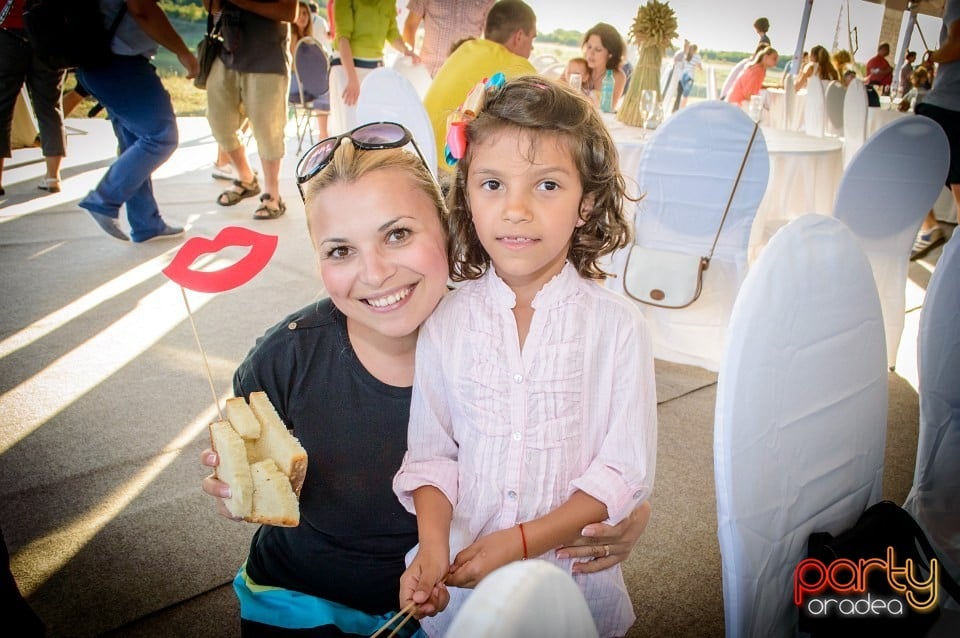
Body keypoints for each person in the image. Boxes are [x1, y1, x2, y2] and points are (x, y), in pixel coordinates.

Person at [200, 122, 653, 636]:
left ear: (448, 226)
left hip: (446, 608)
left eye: (398, 234)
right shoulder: (281, 362)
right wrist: (238, 486)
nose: (375, 273)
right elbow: (254, 472)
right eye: (340, 250)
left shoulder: (499, 333)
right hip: (300, 598)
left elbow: (576, 442)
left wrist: (626, 515)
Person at [394, 76, 657, 638]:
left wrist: (519, 543)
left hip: (570, 585)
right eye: (492, 183)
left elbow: (622, 469)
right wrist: (434, 548)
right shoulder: (445, 324)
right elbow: (434, 455)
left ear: (586, 203)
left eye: (546, 186)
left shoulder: (618, 329)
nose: (515, 210)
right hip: (466, 581)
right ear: (467, 194)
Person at [77, 0, 196, 242]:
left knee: (134, 142)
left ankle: (146, 223)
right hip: (120, 64)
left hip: (95, 63)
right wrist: (182, 50)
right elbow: (142, 9)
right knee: (161, 136)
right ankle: (103, 198)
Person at [204, 0, 295, 221]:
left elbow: (289, 12)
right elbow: (211, 7)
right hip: (227, 52)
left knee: (268, 128)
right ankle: (246, 178)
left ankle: (272, 194)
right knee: (219, 121)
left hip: (267, 56)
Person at [423, 0, 536, 176]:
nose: (533, 47)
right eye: (532, 39)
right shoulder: (520, 67)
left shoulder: (465, 48)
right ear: (519, 36)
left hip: (421, 155)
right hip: (451, 172)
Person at [0, 0, 66, 196]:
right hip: (49, 33)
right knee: (50, 106)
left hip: (8, 32)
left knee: (1, 107)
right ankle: (53, 176)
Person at [911, 0, 960, 260]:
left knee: (913, 164)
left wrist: (933, 56)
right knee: (958, 179)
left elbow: (958, 43)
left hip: (947, 101)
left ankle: (930, 227)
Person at [329, 0, 418, 135]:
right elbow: (343, 38)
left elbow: (392, 32)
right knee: (349, 132)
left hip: (375, 72)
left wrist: (406, 50)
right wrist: (352, 78)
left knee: (374, 132)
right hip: (347, 70)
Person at [402, 0, 495, 78]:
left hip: (467, 74)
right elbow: (410, 26)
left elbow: (490, 38)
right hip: (429, 74)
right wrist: (410, 58)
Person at [289, 0, 328, 141]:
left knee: (325, 89)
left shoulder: (309, 40)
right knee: (324, 91)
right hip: (295, 84)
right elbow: (296, 66)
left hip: (307, 82)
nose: (303, 17)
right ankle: (323, 135)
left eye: (305, 13)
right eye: (299, 14)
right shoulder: (292, 38)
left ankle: (323, 134)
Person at [581, 22, 627, 109]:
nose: (590, 53)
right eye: (589, 47)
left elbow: (609, 108)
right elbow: (557, 90)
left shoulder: (617, 76)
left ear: (611, 53)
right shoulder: (578, 66)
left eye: (598, 49)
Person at [675, 42, 702, 110]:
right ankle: (682, 109)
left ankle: (678, 109)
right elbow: (699, 67)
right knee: (685, 95)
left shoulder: (686, 55)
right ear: (696, 50)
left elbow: (682, 65)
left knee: (681, 94)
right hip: (689, 77)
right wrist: (699, 68)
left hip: (683, 76)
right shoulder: (697, 56)